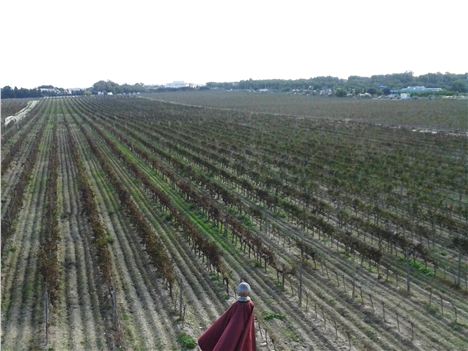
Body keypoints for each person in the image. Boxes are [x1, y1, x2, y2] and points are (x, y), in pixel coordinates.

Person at [198, 282, 256, 351]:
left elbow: (228, 319)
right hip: (242, 331)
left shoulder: (240, 305)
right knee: (243, 340)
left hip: (238, 329)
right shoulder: (249, 304)